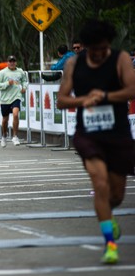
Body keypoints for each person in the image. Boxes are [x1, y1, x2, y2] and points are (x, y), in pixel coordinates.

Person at [57, 19, 135, 265]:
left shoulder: (120, 59)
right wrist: (83, 101)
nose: (100, 54)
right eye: (95, 49)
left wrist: (106, 96)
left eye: (104, 48)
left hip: (118, 134)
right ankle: (110, 243)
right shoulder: (73, 64)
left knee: (116, 194)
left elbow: (132, 90)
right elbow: (61, 100)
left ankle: (108, 216)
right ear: (87, 47)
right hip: (88, 134)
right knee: (100, 184)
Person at [0, 55, 28, 147]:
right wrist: (7, 83)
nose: (12, 63)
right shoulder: (2, 72)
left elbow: (25, 81)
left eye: (13, 61)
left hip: (16, 97)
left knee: (16, 114)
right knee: (5, 120)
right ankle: (4, 136)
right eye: (10, 61)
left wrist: (24, 87)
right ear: (7, 62)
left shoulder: (20, 71)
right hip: (5, 99)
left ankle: (15, 136)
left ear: (16, 62)